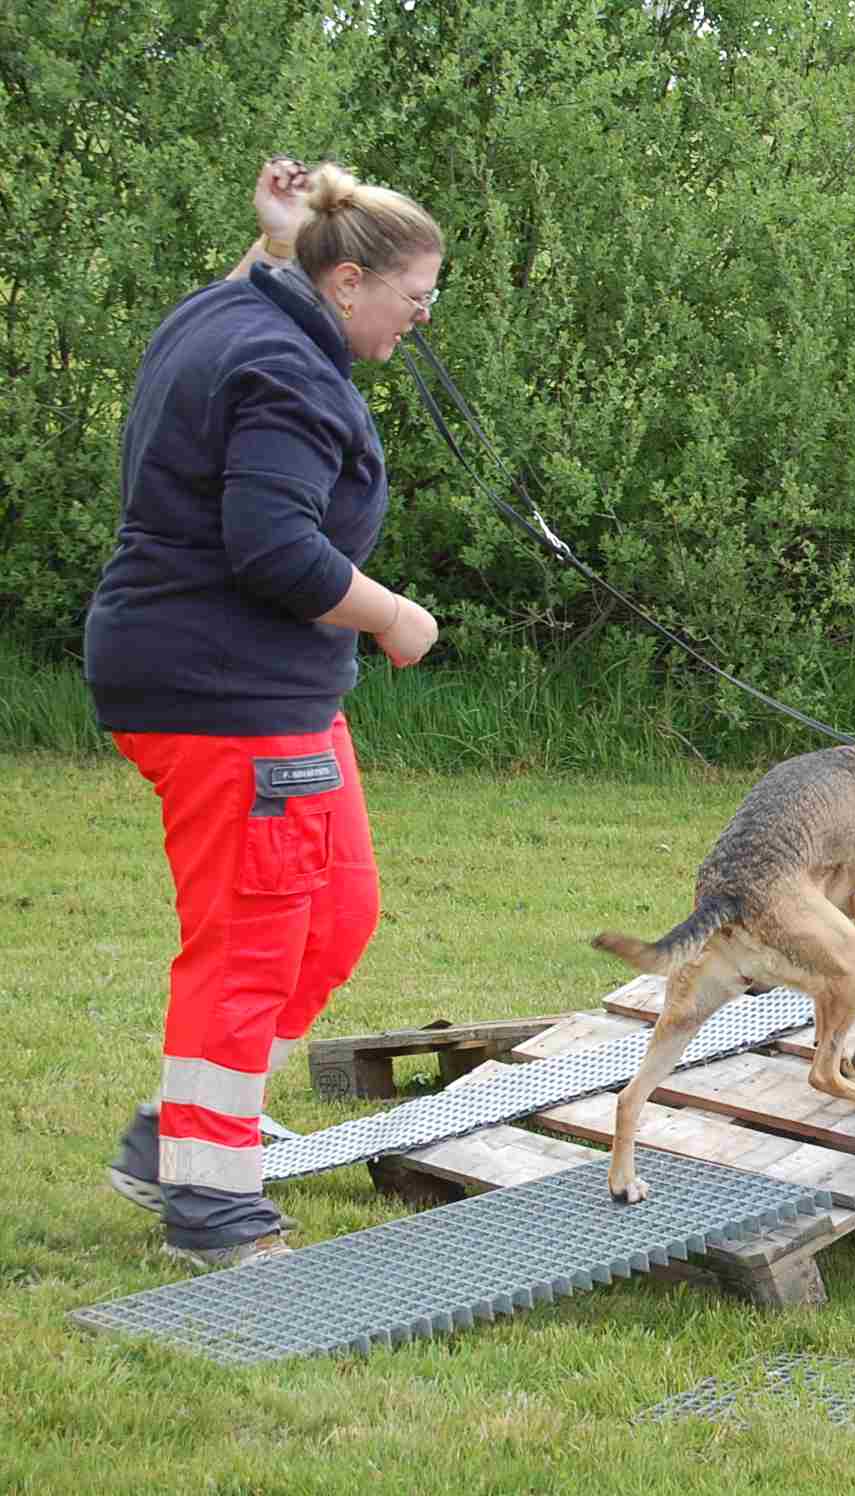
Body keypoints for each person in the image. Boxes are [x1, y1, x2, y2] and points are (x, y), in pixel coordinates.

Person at [85, 156, 444, 1270]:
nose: (422, 318)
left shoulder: (236, 309)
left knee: (336, 912)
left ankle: (179, 1135)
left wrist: (278, 232)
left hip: (269, 688)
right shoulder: (287, 371)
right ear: (348, 283)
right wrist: (396, 617)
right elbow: (276, 550)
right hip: (225, 694)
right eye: (415, 296)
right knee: (251, 941)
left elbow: (258, 279)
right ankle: (212, 1204)